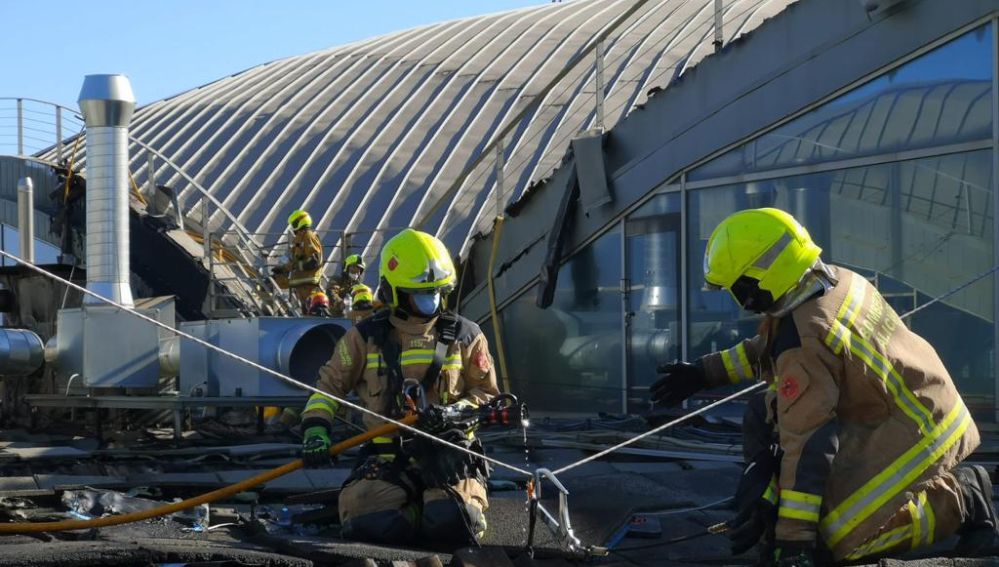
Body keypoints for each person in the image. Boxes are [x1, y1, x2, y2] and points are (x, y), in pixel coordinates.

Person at [649, 208, 993, 566]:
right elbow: (771, 347)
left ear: (759, 281)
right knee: (762, 412)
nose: (740, 301)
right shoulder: (834, 281)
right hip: (908, 401)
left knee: (843, 539)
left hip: (915, 430)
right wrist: (704, 372)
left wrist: (794, 543)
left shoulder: (804, 338)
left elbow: (810, 443)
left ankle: (960, 500)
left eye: (737, 289)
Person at [299, 228, 500, 546]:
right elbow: (329, 386)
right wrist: (315, 431)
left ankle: (449, 509)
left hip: (448, 454)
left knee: (453, 523)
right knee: (371, 526)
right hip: (389, 459)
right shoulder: (365, 337)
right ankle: (414, 512)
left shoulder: (466, 335)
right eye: (421, 294)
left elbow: (487, 396)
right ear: (394, 293)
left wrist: (451, 414)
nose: (431, 302)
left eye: (436, 293)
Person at [271, 210, 323, 314]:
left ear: (301, 222)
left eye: (294, 223)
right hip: (301, 280)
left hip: (308, 280)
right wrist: (282, 268)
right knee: (275, 280)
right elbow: (293, 257)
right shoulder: (300, 238)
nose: (293, 226)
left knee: (310, 309)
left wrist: (293, 266)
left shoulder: (309, 236)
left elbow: (314, 260)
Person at [327, 254, 376, 321]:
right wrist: (341, 303)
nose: (356, 272)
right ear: (346, 268)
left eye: (359, 270)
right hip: (336, 317)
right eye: (353, 268)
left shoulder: (359, 286)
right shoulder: (337, 280)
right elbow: (331, 292)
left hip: (354, 318)